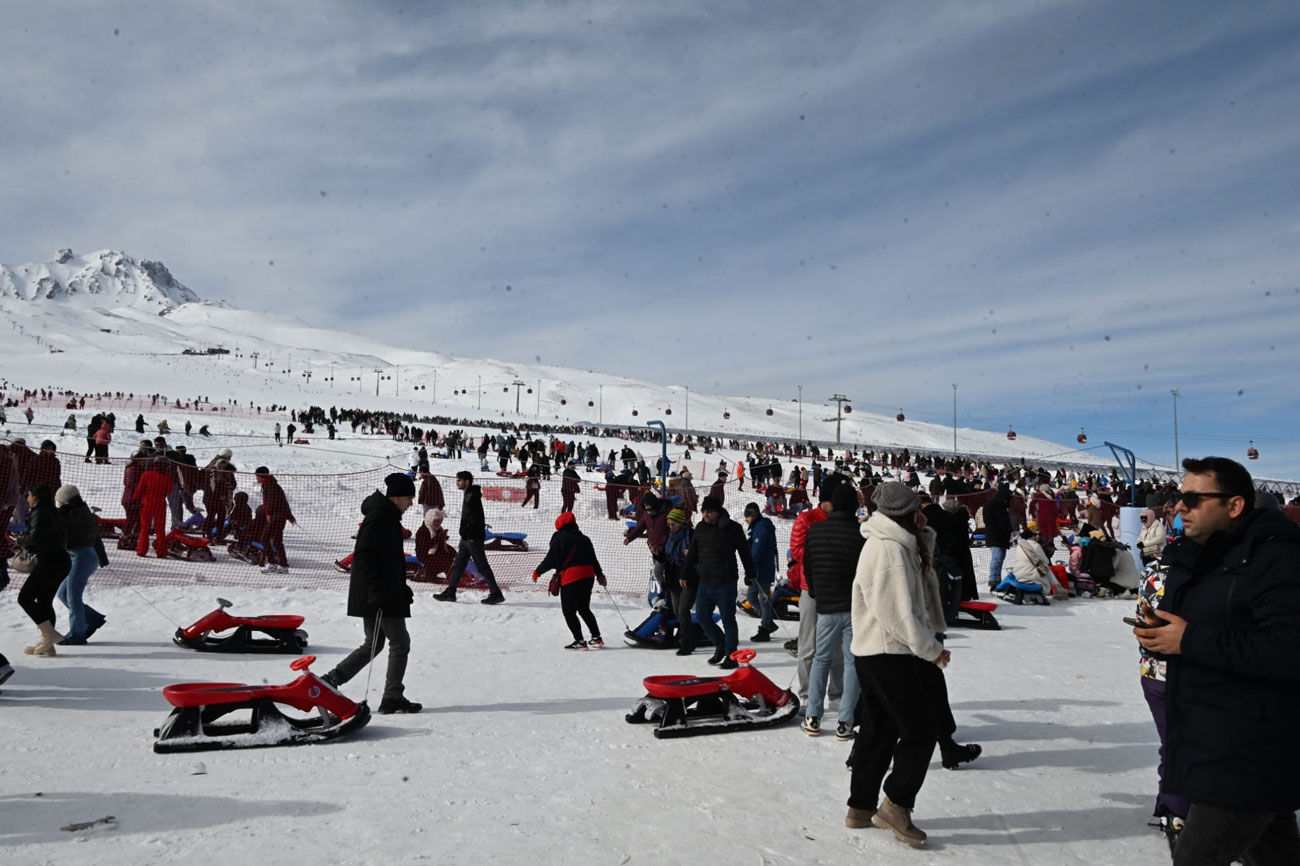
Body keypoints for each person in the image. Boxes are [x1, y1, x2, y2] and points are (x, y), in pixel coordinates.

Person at [1135, 457, 1300, 865]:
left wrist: (1189, 640)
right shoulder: (1200, 557)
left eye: (1193, 498)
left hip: (1249, 748)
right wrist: (1160, 636)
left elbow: (1289, 648)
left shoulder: (1278, 558)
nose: (1178, 507)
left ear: (1235, 505)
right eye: (1178, 497)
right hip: (1211, 735)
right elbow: (1198, 631)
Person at [846, 481, 945, 849]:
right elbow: (898, 613)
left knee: (878, 730)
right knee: (921, 729)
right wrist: (930, 648)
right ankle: (896, 804)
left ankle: (860, 806)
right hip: (890, 653)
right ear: (904, 513)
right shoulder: (888, 549)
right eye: (917, 509)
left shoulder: (894, 544)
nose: (922, 514)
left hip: (877, 652)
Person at [322, 473, 421, 714]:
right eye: (409, 498)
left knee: (374, 643)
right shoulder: (380, 517)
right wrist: (378, 591)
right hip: (379, 594)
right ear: (397, 497)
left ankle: (330, 680)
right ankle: (392, 697)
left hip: (381, 591)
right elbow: (364, 556)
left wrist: (401, 587)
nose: (410, 504)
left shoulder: (386, 516)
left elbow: (386, 560)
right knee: (400, 642)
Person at [800, 483, 865, 740]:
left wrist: (818, 594)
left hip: (826, 606)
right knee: (851, 664)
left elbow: (808, 567)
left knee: (821, 659)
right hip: (853, 609)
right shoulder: (861, 534)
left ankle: (813, 716)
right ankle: (845, 722)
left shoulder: (815, 531)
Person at [681, 495, 755, 669]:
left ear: (718, 512)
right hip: (705, 581)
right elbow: (693, 553)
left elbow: (745, 553)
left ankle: (731, 654)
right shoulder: (700, 528)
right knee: (702, 616)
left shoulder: (733, 528)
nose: (705, 514)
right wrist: (684, 572)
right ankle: (720, 646)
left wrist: (750, 573)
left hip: (725, 581)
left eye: (709, 511)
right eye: (703, 511)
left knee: (728, 619)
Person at [533, 511, 607, 649]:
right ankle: (596, 637)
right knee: (584, 608)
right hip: (588, 576)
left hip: (571, 577)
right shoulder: (584, 538)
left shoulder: (560, 537)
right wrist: (600, 575)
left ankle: (579, 641)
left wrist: (538, 571)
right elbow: (593, 559)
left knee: (569, 611)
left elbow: (552, 558)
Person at [15, 484, 71, 656]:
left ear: (36, 497)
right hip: (59, 560)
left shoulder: (40, 512)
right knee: (44, 601)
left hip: (51, 561)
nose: (27, 498)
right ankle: (48, 645)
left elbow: (36, 537)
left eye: (29, 495)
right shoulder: (51, 511)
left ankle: (49, 636)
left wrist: (21, 540)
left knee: (25, 598)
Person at [434, 471, 504, 604]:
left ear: (467, 481)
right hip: (467, 538)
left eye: (459, 480)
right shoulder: (469, 494)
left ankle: (496, 593)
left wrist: (470, 533)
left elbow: (475, 518)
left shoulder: (472, 495)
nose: (457, 482)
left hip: (472, 538)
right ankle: (451, 592)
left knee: (482, 566)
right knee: (458, 565)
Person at [54, 484, 109, 644]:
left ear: (65, 501)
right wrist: (102, 558)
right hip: (86, 557)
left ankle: (77, 635)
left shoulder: (72, 515)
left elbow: (66, 533)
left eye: (59, 502)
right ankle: (93, 619)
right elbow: (96, 538)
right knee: (63, 594)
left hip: (81, 558)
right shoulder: (84, 512)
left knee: (73, 598)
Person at [742, 501, 779, 642]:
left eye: (747, 516)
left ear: (753, 515)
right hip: (756, 570)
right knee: (751, 597)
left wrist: (749, 570)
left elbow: (756, 552)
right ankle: (768, 621)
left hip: (762, 570)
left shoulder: (761, 529)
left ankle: (765, 628)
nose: (746, 519)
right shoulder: (756, 527)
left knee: (764, 600)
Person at [663, 508, 696, 655]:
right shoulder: (670, 538)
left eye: (673, 524)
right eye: (669, 524)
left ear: (681, 523)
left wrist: (692, 555)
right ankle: (689, 636)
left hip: (688, 578)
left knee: (683, 610)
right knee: (678, 612)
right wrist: (657, 554)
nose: (671, 527)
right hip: (674, 579)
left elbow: (698, 557)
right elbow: (667, 558)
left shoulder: (691, 536)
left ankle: (686, 643)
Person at [134, 457, 174, 558]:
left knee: (144, 528)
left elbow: (140, 489)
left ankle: (141, 550)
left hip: (146, 504)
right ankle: (161, 552)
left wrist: (135, 499)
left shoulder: (146, 474)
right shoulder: (167, 476)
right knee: (160, 530)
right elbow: (169, 490)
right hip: (159, 504)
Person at [983, 480, 1012, 590]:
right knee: (997, 557)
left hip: (1003, 536)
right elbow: (988, 521)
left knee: (1001, 557)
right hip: (995, 536)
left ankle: (997, 578)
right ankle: (993, 579)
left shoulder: (1003, 506)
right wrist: (999, 530)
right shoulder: (990, 505)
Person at [414, 508, 455, 580]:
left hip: (436, 554)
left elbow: (442, 545)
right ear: (430, 520)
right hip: (425, 556)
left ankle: (453, 576)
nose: (438, 523)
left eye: (440, 521)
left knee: (452, 559)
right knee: (444, 562)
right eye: (436, 521)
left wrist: (454, 552)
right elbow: (425, 546)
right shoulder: (422, 531)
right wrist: (439, 538)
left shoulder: (439, 529)